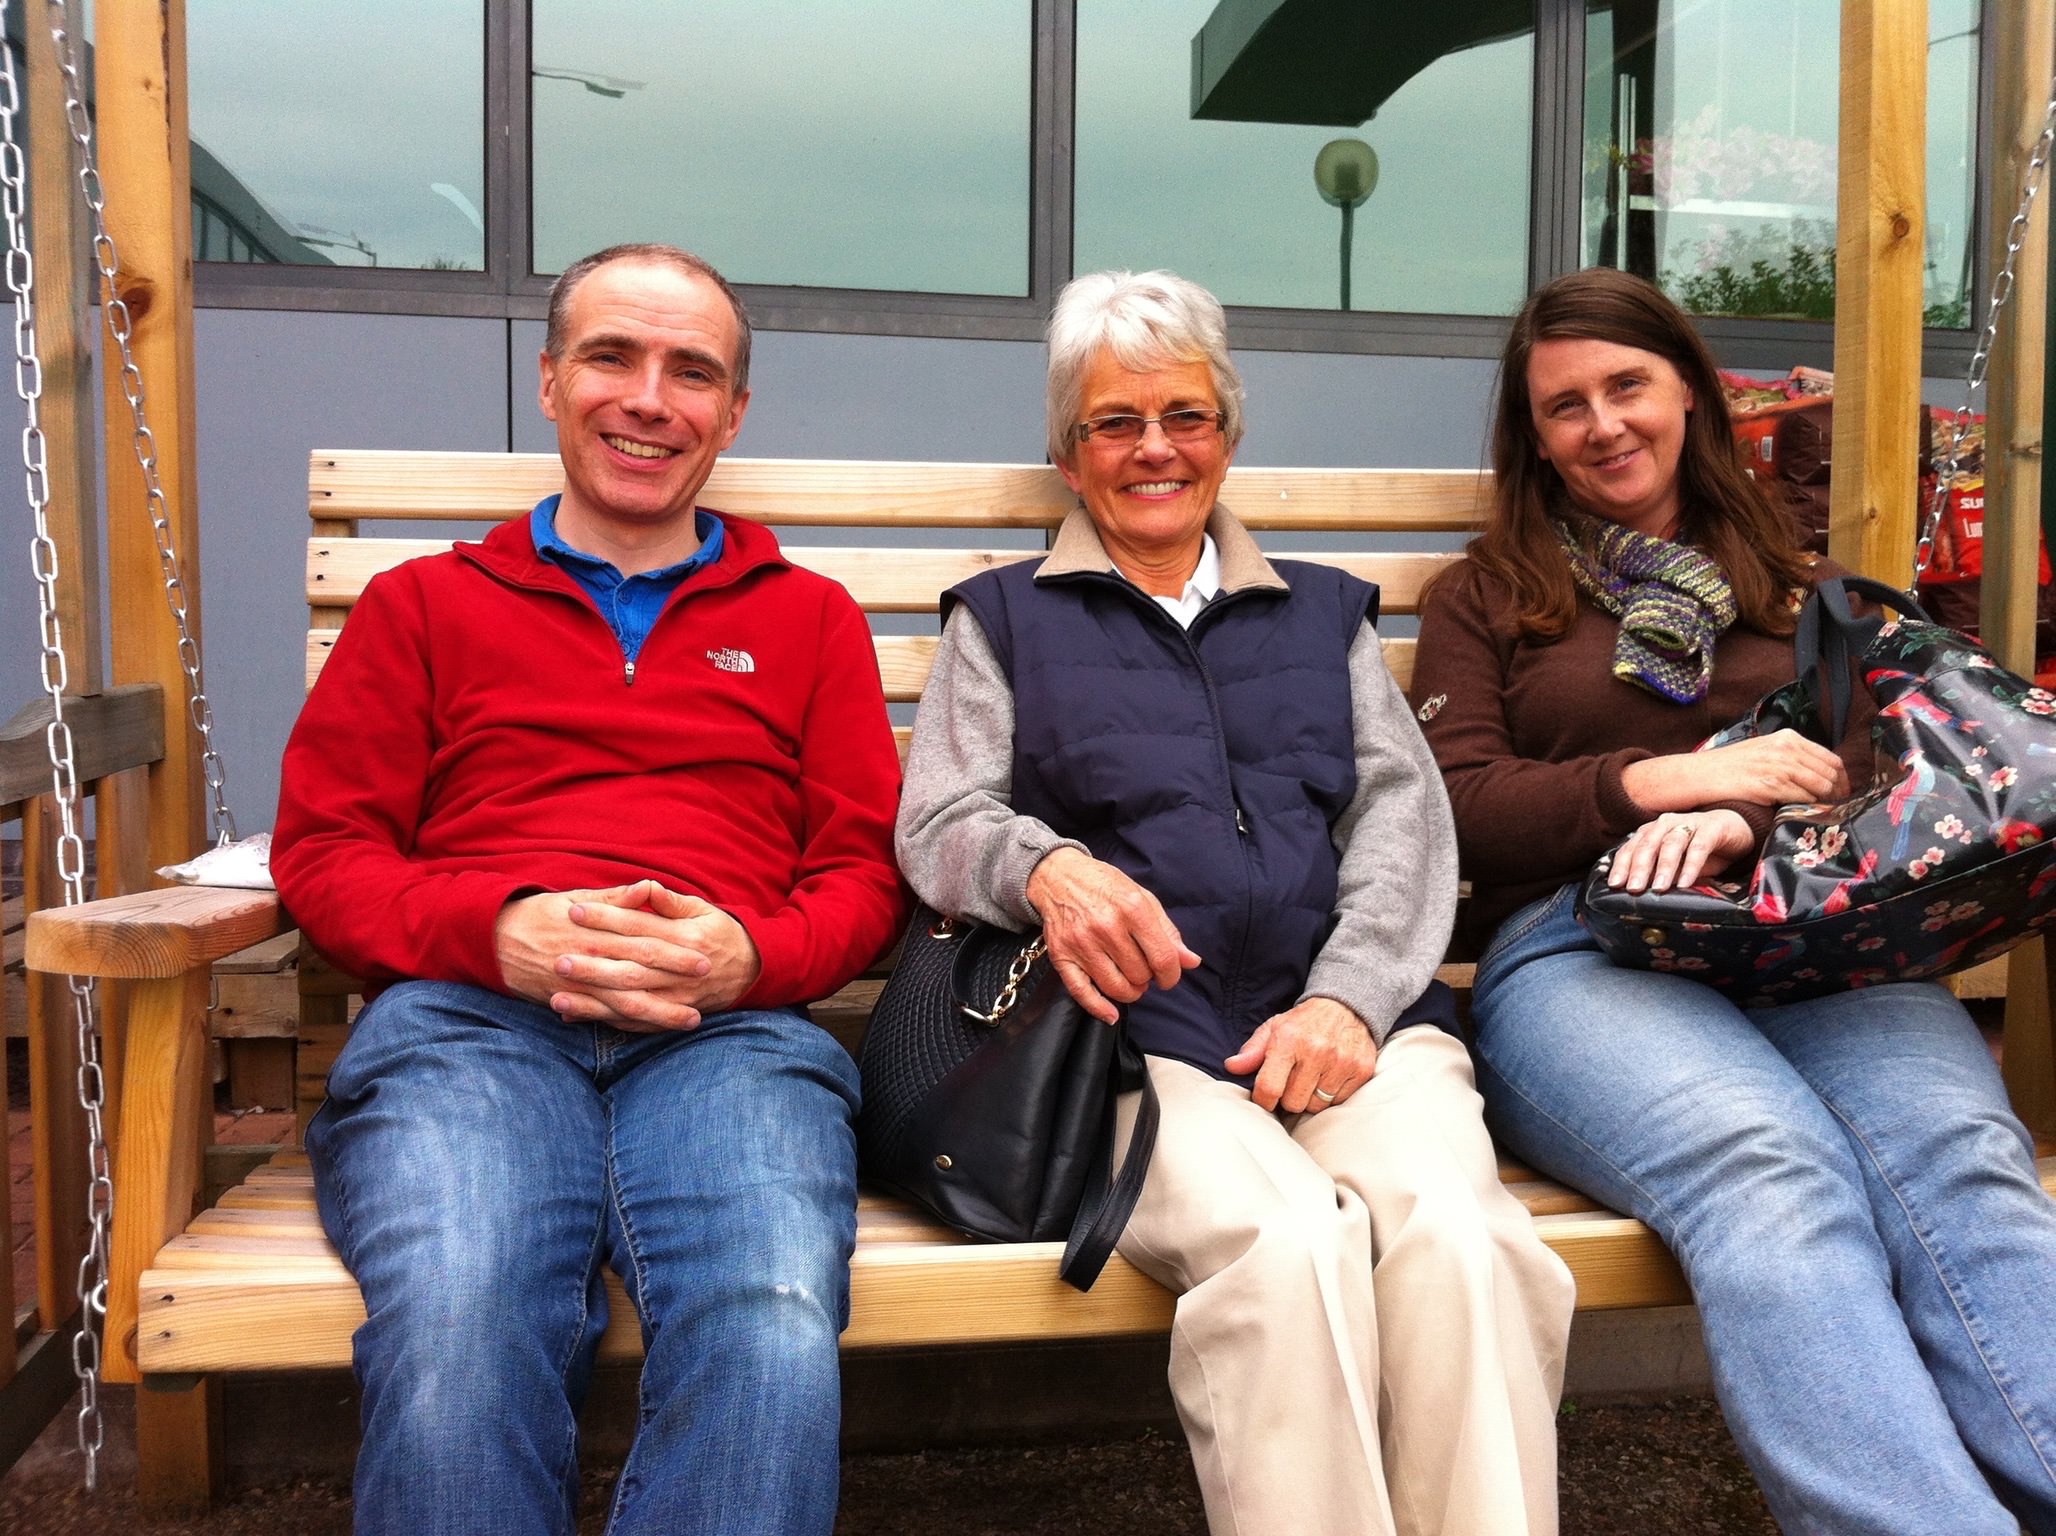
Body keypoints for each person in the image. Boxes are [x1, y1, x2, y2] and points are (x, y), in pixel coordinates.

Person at [897, 269, 1575, 1536]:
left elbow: (1403, 818)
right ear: (1066, 454)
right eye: (1114, 422)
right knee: (1286, 1246)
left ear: (1228, 433)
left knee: (1462, 1242)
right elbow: (937, 821)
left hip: (1350, 1029)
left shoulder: (1318, 614)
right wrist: (1045, 869)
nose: (1154, 448)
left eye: (1185, 416)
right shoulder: (1007, 620)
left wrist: (1350, 1001)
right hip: (1134, 1049)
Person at [271, 243, 907, 1536]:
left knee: (770, 1318)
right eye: (613, 357)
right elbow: (326, 853)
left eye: (692, 372)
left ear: (734, 412)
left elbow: (862, 873)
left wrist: (750, 958)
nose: (649, 399)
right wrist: (494, 931)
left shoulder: (808, 620)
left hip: (729, 1039)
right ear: (552, 381)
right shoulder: (423, 606)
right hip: (469, 1028)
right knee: (462, 1312)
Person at [1413, 265, 2056, 1534]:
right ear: (1531, 437)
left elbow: (1891, 767)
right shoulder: (1488, 595)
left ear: (1690, 397)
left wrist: (1745, 817)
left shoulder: (1797, 581)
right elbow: (1455, 802)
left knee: (1964, 1166)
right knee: (1770, 1174)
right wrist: (1655, 785)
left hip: (1819, 936)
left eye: (1627, 387)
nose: (1602, 424)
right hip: (1581, 950)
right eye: (1563, 406)